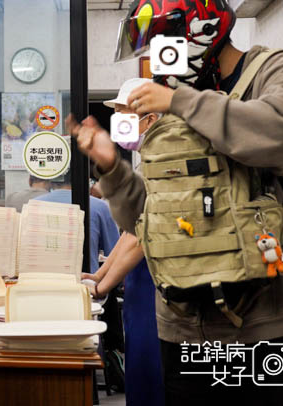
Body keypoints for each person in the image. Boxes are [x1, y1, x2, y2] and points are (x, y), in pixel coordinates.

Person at [69, 0, 283, 402]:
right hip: (184, 330)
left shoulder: (278, 71)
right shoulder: (178, 105)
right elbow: (151, 221)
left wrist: (179, 101)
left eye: (160, 47)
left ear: (196, 35)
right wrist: (112, 169)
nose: (157, 64)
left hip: (270, 328)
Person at [83, 78, 165, 406]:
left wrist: (102, 287)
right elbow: (130, 230)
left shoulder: (164, 163)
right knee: (140, 370)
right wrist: (99, 276)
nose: (118, 121)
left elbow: (142, 238)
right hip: (138, 287)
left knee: (152, 372)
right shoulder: (147, 161)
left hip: (156, 289)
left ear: (151, 119)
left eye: (125, 113)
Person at [32, 174, 119, 274]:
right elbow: (114, 255)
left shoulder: (34, 204)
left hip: (39, 282)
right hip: (86, 283)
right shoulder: (99, 207)